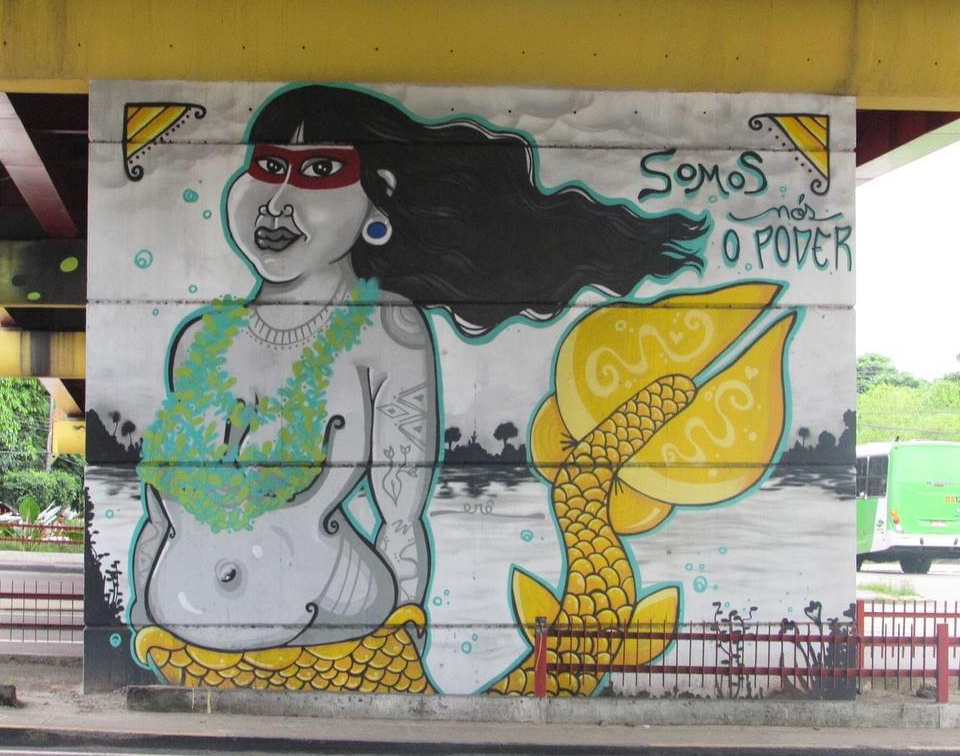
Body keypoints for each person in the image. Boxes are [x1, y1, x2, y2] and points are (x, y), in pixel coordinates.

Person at [128, 83, 707, 685]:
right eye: (269, 167)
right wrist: (144, 615)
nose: (276, 204)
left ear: (378, 196)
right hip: (187, 656)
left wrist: (398, 646)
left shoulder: (387, 329)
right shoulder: (202, 339)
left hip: (337, 650)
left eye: (319, 171)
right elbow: (163, 514)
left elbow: (400, 518)